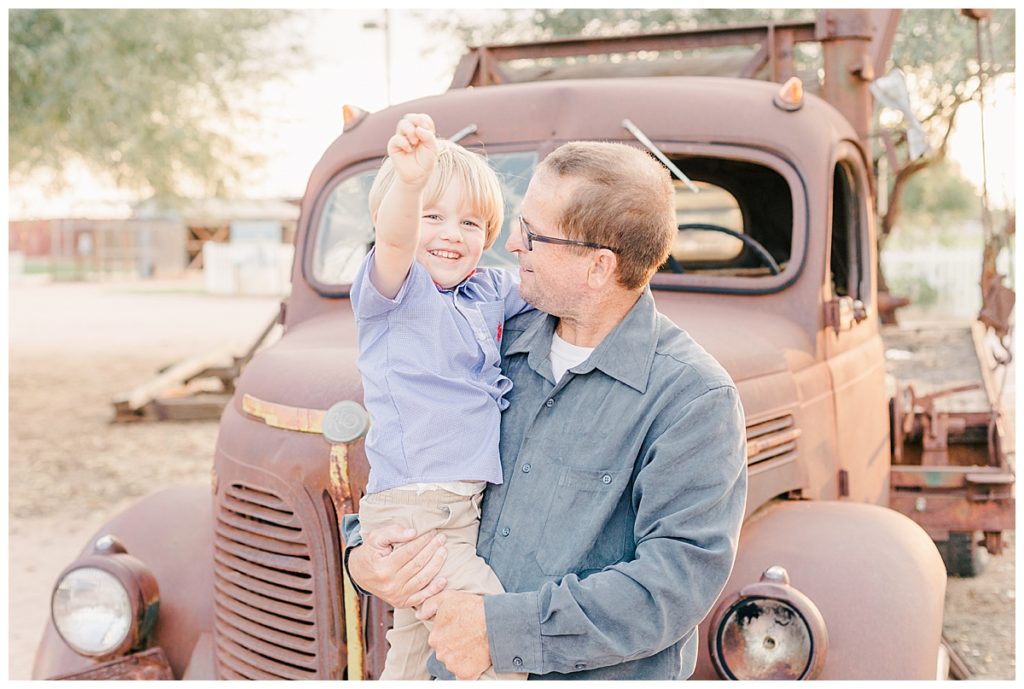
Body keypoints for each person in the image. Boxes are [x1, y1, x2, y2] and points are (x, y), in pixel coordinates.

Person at [344, 140, 748, 680]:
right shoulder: (492, 333)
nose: (508, 243)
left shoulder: (692, 400)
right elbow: (414, 459)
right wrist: (361, 557)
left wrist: (499, 630)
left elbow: (672, 587)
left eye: (531, 233)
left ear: (599, 266)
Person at [348, 112, 529, 680]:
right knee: (494, 634)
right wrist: (409, 182)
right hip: (421, 508)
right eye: (435, 216)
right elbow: (397, 240)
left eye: (471, 223)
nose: (452, 234)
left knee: (409, 647)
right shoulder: (395, 291)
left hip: (450, 504)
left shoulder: (485, 290)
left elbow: (545, 283)